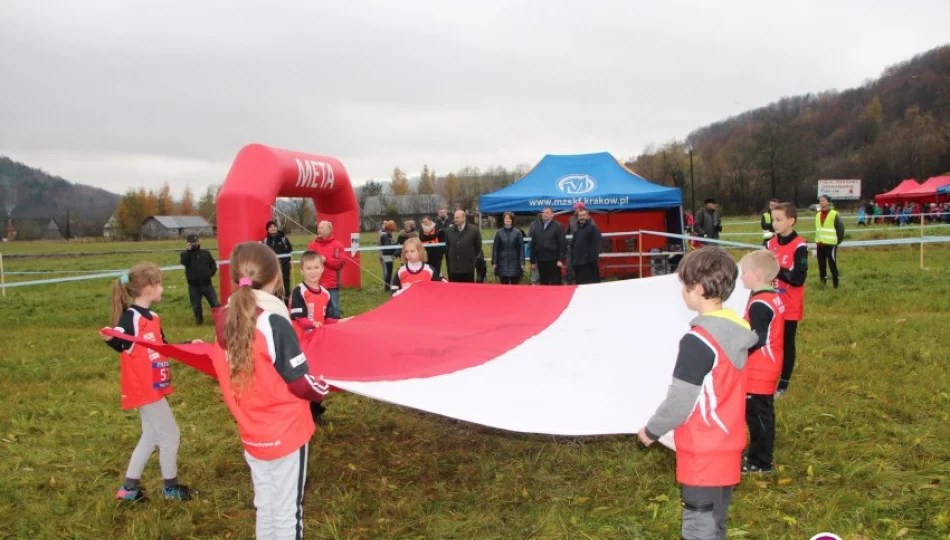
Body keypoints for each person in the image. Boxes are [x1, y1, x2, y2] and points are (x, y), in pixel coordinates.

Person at [211, 242, 329, 539]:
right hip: (287, 432)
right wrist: (323, 388)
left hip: (252, 431)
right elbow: (300, 381)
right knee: (288, 512)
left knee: (265, 506)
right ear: (276, 277)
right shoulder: (273, 321)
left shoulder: (227, 321)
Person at [637, 248, 757, 540]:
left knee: (699, 523)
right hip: (727, 443)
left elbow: (680, 401)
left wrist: (651, 431)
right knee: (717, 520)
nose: (682, 291)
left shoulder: (698, 342)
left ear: (699, 289)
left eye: (684, 285)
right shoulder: (736, 330)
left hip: (702, 448)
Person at [100, 262, 197, 502]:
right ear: (147, 288)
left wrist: (188, 346)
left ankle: (129, 489)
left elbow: (163, 346)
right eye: (159, 284)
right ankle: (171, 489)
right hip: (143, 389)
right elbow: (121, 343)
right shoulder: (131, 318)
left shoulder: (153, 317)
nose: (162, 288)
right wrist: (110, 338)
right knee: (171, 436)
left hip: (155, 385)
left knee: (151, 437)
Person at [738, 250, 786, 474]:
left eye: (744, 273)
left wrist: (736, 350)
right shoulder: (772, 296)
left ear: (757, 275)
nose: (741, 277)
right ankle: (759, 455)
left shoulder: (759, 304)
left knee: (758, 416)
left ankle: (760, 462)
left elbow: (756, 338)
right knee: (763, 413)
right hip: (769, 366)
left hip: (759, 369)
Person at [767, 202, 808, 397]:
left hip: (790, 303)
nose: (774, 224)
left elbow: (799, 279)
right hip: (771, 302)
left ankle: (783, 383)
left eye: (778, 220)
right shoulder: (769, 244)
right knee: (768, 339)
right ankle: (768, 375)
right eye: (773, 220)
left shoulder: (799, 245)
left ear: (791, 221)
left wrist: (776, 268)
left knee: (786, 341)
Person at [289, 251, 332, 341]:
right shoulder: (298, 291)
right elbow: (300, 319)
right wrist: (314, 324)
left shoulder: (326, 294)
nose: (313, 272)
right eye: (308, 268)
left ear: (322, 269)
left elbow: (326, 320)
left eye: (316, 267)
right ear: (302, 271)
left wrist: (340, 322)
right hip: (301, 340)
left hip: (318, 338)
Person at [307, 221, 345, 319]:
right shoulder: (312, 245)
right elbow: (308, 262)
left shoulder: (337, 245)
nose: (319, 230)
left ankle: (337, 328)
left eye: (322, 228)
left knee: (335, 309)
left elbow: (340, 263)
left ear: (329, 230)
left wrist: (326, 260)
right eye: (318, 228)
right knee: (320, 310)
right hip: (316, 283)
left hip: (332, 283)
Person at [180, 234, 219, 325]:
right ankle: (199, 322)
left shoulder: (206, 253)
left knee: (215, 304)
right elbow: (183, 262)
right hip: (194, 286)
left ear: (198, 242)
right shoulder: (185, 255)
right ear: (188, 243)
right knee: (196, 306)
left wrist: (210, 273)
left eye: (195, 242)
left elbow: (213, 264)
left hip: (207, 284)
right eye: (192, 242)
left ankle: (218, 320)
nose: (194, 244)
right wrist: (188, 251)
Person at [529, 207, 567, 286]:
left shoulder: (558, 226)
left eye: (547, 213)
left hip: (554, 261)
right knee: (543, 284)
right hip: (541, 261)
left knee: (555, 283)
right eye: (543, 213)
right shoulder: (537, 227)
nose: (544, 214)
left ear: (552, 215)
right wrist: (532, 261)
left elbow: (563, 243)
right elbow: (533, 244)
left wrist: (561, 259)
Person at [815, 194, 845, 289]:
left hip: (830, 245)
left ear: (828, 202)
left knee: (832, 264)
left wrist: (836, 242)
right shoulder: (818, 214)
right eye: (820, 200)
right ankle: (822, 284)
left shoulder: (834, 214)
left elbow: (841, 230)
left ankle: (835, 285)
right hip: (820, 244)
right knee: (821, 265)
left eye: (823, 200)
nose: (821, 202)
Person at [444, 209, 482, 283]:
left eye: (458, 218)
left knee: (468, 290)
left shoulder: (474, 230)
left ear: (464, 218)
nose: (455, 220)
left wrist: (470, 256)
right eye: (455, 218)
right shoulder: (449, 230)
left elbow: (478, 246)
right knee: (455, 291)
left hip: (467, 267)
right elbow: (448, 246)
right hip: (454, 267)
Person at [263, 221, 294, 303]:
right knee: (274, 286)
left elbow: (290, 249)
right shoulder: (266, 241)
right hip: (273, 267)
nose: (273, 228)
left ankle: (286, 305)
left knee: (286, 286)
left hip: (285, 265)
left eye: (274, 226)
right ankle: (277, 304)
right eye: (270, 227)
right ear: (267, 230)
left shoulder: (283, 238)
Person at [570, 208, 602, 285]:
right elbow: (573, 246)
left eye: (584, 215)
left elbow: (596, 246)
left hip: (588, 265)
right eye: (580, 216)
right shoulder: (577, 230)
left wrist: (591, 261)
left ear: (588, 216)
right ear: (577, 217)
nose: (582, 217)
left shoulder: (593, 228)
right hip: (578, 265)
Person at [492, 212, 525, 284]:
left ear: (512, 220)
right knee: (504, 288)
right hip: (502, 263)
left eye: (509, 218)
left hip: (515, 263)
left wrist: (522, 262)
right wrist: (494, 262)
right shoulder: (499, 232)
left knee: (515, 287)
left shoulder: (518, 232)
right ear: (503, 220)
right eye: (505, 218)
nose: (507, 220)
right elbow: (495, 248)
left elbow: (521, 248)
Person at [565, 202, 595, 284]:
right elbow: (567, 232)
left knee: (583, 265)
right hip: (572, 246)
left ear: (582, 209)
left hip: (584, 247)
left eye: (577, 208)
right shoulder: (571, 219)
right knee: (570, 265)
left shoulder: (589, 220)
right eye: (575, 208)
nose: (575, 209)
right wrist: (568, 242)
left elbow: (594, 232)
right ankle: (569, 280)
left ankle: (585, 281)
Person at [430, 208, 451, 281]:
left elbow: (450, 231)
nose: (442, 213)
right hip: (438, 245)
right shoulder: (434, 223)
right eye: (441, 212)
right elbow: (435, 233)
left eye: (444, 212)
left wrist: (441, 230)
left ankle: (451, 278)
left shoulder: (451, 221)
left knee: (450, 262)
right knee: (437, 263)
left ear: (446, 213)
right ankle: (436, 278)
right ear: (438, 213)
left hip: (449, 244)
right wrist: (443, 230)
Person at [378, 221, 397, 293]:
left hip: (389, 256)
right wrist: (395, 244)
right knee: (388, 272)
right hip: (386, 256)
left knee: (390, 272)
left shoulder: (389, 235)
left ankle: (388, 288)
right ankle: (387, 288)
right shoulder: (385, 236)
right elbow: (387, 247)